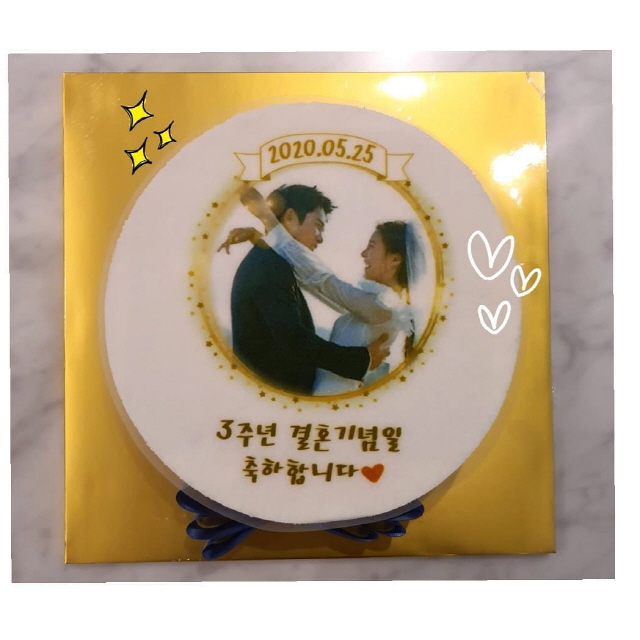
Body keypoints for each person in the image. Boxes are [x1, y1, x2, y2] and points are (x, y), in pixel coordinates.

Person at [222, 185, 427, 395]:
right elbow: (313, 290)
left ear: (395, 260)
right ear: (290, 217)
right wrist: (263, 235)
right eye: (318, 225)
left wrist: (268, 221)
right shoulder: (270, 265)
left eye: (372, 246)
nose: (363, 253)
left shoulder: (385, 306)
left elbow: (323, 282)